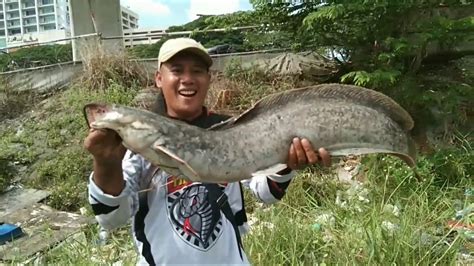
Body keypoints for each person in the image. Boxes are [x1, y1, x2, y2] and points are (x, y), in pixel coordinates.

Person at [84, 37, 331, 265]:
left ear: (208, 78)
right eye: (177, 70)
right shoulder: (135, 147)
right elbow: (111, 220)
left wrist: (286, 163)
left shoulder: (235, 132)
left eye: (197, 71)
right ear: (159, 78)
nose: (188, 78)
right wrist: (106, 164)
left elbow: (266, 193)